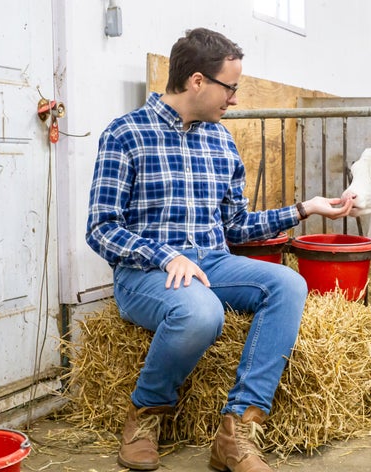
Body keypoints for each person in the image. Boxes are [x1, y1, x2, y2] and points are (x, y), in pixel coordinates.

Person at [86, 27, 352, 472]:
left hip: (212, 262)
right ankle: (146, 414)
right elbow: (101, 229)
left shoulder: (221, 140)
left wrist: (306, 209)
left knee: (288, 284)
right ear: (197, 81)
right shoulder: (125, 135)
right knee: (200, 312)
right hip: (147, 274)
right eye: (230, 87)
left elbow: (236, 226)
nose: (233, 99)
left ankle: (237, 431)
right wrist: (164, 255)